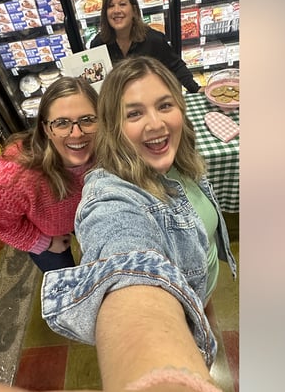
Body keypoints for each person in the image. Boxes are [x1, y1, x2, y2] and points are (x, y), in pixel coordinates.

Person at [40, 56, 237, 391]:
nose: (156, 123)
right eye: (134, 113)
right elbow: (124, 263)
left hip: (200, 289)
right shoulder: (111, 196)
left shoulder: (182, 158)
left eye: (164, 105)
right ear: (113, 126)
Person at [0, 77, 99, 272]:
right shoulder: (12, 177)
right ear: (46, 129)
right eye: (62, 123)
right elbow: (1, 224)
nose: (77, 134)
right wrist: (43, 242)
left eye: (87, 120)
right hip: (47, 233)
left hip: (90, 218)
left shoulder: (109, 150)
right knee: (63, 281)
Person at [90, 0, 203, 93]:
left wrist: (195, 88)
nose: (116, 10)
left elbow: (176, 66)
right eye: (110, 6)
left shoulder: (153, 39)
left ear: (134, 10)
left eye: (122, 4)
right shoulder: (98, 44)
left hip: (148, 99)